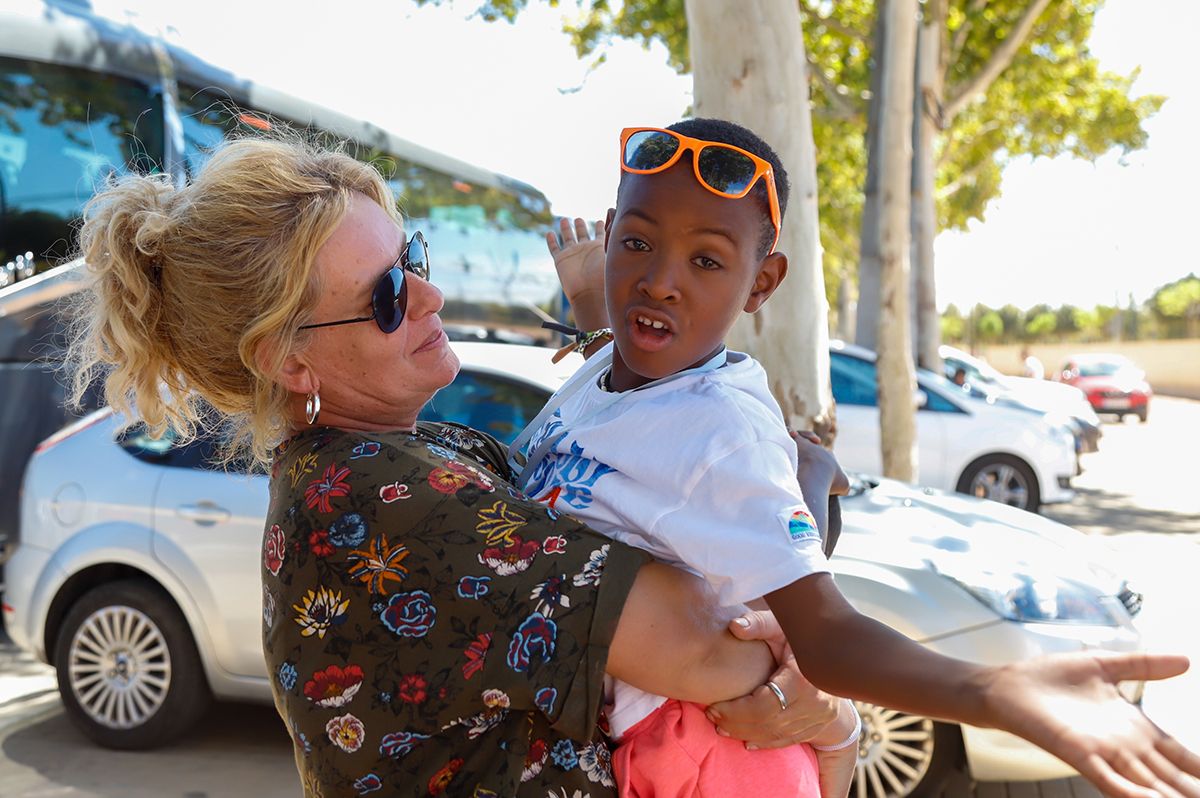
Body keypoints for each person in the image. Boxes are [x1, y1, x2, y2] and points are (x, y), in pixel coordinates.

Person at [63, 134, 847, 797]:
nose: (432, 295)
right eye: (389, 294)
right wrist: (833, 710)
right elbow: (704, 643)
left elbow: (650, 496)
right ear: (287, 358)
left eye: (414, 257)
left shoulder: (424, 457)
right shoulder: (374, 498)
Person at [518, 118, 1200, 798]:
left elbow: (828, 633)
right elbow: (613, 379)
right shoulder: (612, 368)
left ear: (762, 284)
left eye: (707, 260)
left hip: (705, 756)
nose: (660, 281)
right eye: (637, 243)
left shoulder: (719, 430)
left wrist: (995, 690)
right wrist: (590, 305)